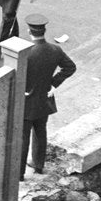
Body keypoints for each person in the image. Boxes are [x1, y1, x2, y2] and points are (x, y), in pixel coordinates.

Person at [18, 13, 76, 178]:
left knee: (23, 137)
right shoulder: (55, 50)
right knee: (40, 132)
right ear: (44, 31)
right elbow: (70, 67)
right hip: (44, 99)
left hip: (27, 100)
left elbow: (19, 76)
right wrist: (54, 83)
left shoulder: (27, 53)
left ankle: (20, 173)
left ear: (30, 32)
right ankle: (39, 166)